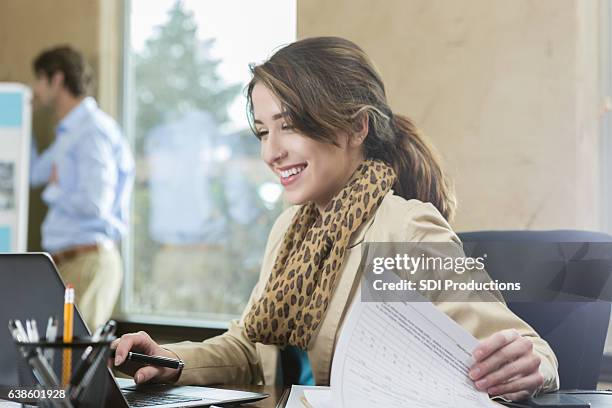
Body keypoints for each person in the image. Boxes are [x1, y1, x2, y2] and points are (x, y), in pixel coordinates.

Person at [112, 37, 559, 401]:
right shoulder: (289, 231)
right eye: (264, 132)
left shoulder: (404, 230)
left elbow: (528, 347)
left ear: (357, 127)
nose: (272, 152)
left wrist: (531, 366)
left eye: (290, 126)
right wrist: (169, 359)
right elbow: (252, 349)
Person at [30, 45, 134, 330]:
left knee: (69, 364)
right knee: (56, 363)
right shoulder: (69, 133)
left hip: (88, 261)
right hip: (69, 263)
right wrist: (21, 119)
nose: (35, 88)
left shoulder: (92, 131)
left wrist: (55, 190)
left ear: (57, 79)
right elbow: (32, 174)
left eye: (39, 79)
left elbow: (94, 203)